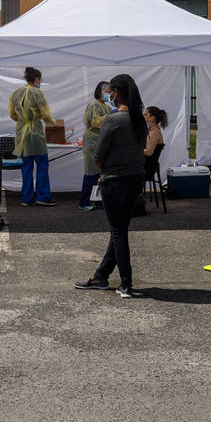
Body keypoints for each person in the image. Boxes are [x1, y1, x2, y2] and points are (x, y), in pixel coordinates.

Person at [74, 73, 147, 299]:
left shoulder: (112, 120)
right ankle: (101, 275)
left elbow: (99, 154)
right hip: (135, 179)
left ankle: (126, 283)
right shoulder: (139, 120)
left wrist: (104, 168)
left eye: (110, 92)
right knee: (119, 230)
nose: (108, 95)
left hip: (114, 180)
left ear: (116, 93)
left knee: (118, 232)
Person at [9, 66, 57, 207]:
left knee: (26, 166)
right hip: (34, 133)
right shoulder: (38, 93)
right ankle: (43, 196)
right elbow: (45, 114)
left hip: (21, 132)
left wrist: (22, 121)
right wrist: (52, 124)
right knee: (42, 165)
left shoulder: (16, 93)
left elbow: (12, 114)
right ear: (36, 79)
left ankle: (26, 198)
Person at [78, 81, 111, 211]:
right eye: (107, 92)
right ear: (100, 91)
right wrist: (109, 116)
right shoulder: (93, 105)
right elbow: (94, 122)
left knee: (100, 174)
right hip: (92, 142)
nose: (109, 95)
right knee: (91, 173)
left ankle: (98, 201)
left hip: (101, 141)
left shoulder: (106, 106)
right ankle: (84, 201)